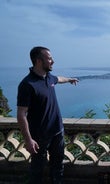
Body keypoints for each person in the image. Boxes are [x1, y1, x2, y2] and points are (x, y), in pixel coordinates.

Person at [17, 46, 79, 184]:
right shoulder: (27, 84)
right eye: (49, 58)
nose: (53, 61)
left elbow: (59, 79)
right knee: (37, 169)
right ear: (39, 61)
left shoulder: (49, 77)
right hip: (39, 136)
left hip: (57, 131)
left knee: (58, 167)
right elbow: (21, 114)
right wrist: (28, 140)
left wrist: (69, 79)